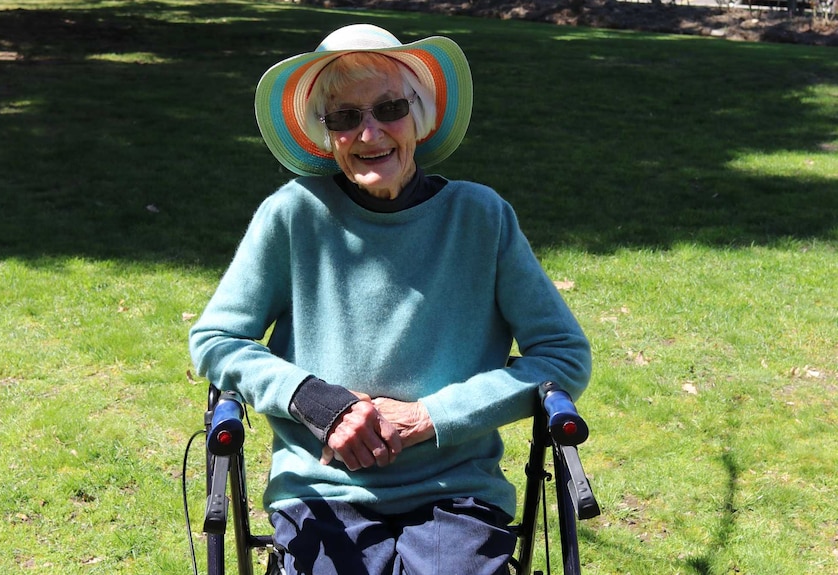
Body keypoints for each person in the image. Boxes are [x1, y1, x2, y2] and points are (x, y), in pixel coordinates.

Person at [189, 23, 591, 575]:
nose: (370, 133)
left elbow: (563, 356)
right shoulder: (293, 215)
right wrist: (318, 402)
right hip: (322, 486)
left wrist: (432, 416)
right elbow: (215, 341)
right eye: (346, 118)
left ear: (420, 117)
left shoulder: (481, 217)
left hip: (457, 488)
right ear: (327, 135)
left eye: (389, 108)